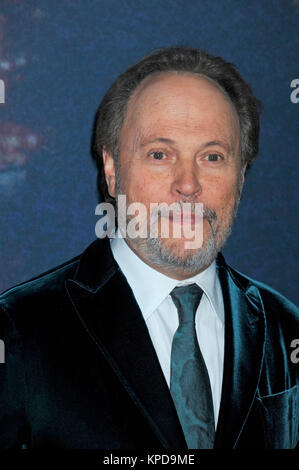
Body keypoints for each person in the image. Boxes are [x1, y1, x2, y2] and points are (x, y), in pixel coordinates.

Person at [0, 46, 298, 449]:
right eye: (160, 154)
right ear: (111, 169)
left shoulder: (285, 327)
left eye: (212, 156)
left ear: (241, 175)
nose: (188, 184)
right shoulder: (19, 330)